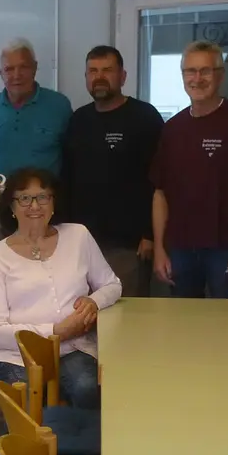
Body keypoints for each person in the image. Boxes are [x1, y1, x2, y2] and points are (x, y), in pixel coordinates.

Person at [0, 167, 122, 408]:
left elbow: (112, 285)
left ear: (53, 202)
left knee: (88, 389)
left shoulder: (78, 236)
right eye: (24, 198)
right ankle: (37, 445)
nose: (35, 206)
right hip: (17, 357)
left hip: (71, 349)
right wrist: (57, 330)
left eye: (43, 197)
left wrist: (94, 301)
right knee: (27, 398)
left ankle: (78, 445)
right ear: (11, 207)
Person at [150, 40, 228, 298]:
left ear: (220, 75)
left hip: (227, 249)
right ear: (183, 76)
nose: (197, 78)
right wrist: (160, 249)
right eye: (190, 71)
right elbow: (160, 193)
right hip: (180, 249)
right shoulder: (172, 128)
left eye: (205, 71)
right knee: (185, 325)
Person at [60, 46, 165, 297]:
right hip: (82, 242)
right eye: (93, 71)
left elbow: (159, 182)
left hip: (128, 245)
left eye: (107, 70)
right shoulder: (79, 120)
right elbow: (68, 179)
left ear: (123, 76)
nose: (99, 77)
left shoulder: (144, 117)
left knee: (126, 315)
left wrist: (149, 235)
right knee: (84, 316)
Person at [0, 38, 73, 178]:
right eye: (9, 69)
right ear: (0, 73)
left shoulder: (60, 106)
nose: (17, 75)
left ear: (35, 68)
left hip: (45, 199)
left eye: (23, 67)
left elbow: (73, 160)